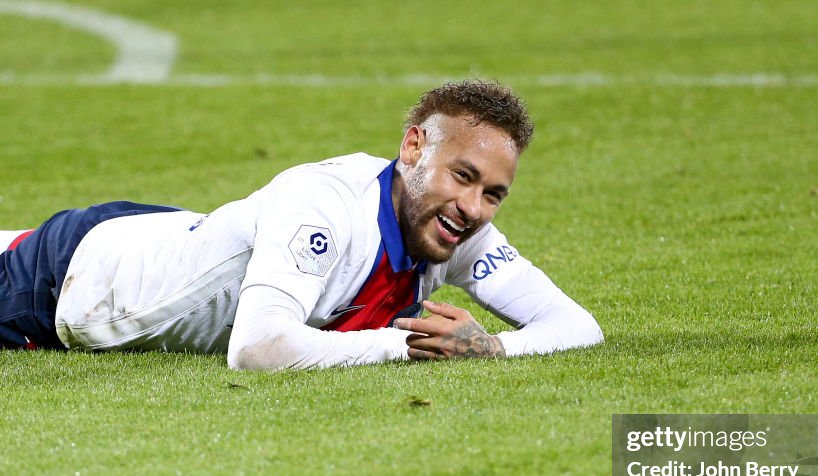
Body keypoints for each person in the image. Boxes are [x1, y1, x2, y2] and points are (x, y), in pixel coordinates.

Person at [0, 80, 602, 369]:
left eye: (493, 194)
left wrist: (490, 346)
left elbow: (578, 326)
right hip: (73, 280)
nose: (473, 207)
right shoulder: (324, 206)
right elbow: (259, 349)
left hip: (167, 239)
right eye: (463, 176)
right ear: (414, 148)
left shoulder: (454, 230)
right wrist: (414, 345)